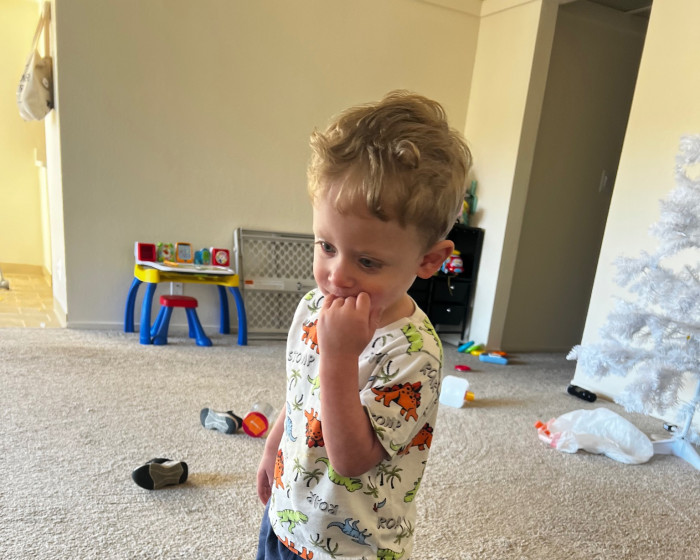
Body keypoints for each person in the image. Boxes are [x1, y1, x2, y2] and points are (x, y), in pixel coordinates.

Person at [255, 90, 472, 560]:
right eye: (326, 246)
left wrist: (339, 355)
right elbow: (301, 391)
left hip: (350, 549)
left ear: (428, 261)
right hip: (288, 519)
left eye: (367, 261)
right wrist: (274, 448)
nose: (337, 276)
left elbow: (352, 460)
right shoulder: (315, 305)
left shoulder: (413, 352)